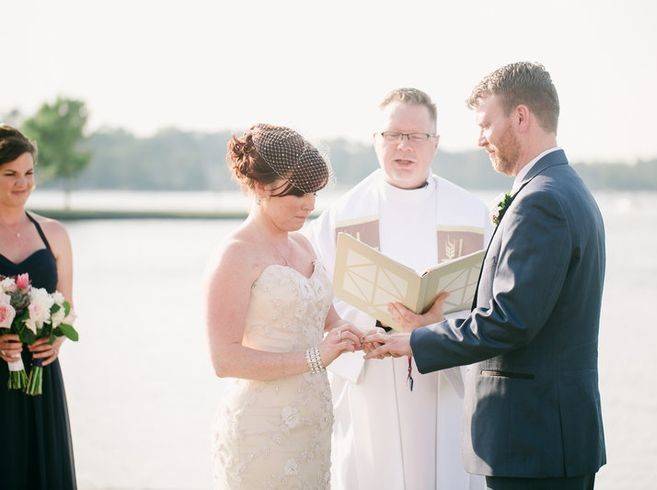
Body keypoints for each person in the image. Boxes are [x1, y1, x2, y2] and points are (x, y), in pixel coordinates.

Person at [365, 63, 607, 490]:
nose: (479, 139)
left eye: (485, 124)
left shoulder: (541, 202)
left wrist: (416, 341)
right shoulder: (566, 188)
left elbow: (510, 320)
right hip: (552, 438)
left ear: (520, 117)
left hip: (533, 443)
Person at [304, 88, 488, 490]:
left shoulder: (471, 214)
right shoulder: (341, 217)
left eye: (416, 136)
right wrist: (378, 325)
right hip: (373, 378)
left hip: (443, 377)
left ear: (435, 144)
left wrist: (438, 323)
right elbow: (316, 299)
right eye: (392, 135)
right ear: (375, 140)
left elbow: (491, 301)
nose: (403, 146)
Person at [206, 124, 365, 489]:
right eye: (297, 192)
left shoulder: (305, 246)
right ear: (261, 187)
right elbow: (224, 360)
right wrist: (315, 358)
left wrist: (357, 334)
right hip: (261, 429)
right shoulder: (236, 254)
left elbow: (329, 322)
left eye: (313, 192)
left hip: (313, 422)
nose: (309, 204)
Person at [0, 124, 77, 489]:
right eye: (10, 174)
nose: (22, 183)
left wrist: (57, 340)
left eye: (28, 172)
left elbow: (68, 306)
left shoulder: (54, 233)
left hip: (40, 375)